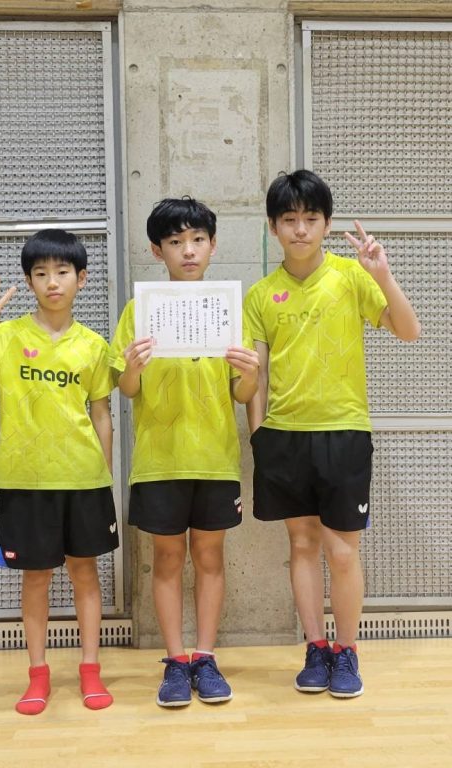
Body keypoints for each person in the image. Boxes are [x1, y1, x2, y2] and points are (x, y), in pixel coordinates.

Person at [244, 170, 421, 698]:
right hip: (284, 437)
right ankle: (315, 648)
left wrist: (383, 275)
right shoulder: (260, 295)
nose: (300, 229)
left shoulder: (350, 275)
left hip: (343, 433)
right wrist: (259, 435)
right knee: (301, 545)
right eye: (289, 220)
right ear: (273, 227)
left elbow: (409, 331)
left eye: (311, 219)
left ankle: (346, 652)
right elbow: (254, 377)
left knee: (342, 552)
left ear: (326, 224)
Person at [0, 229, 118, 715]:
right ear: (28, 282)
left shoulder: (94, 345)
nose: (52, 282)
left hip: (84, 480)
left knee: (85, 573)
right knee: (36, 577)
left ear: (82, 278)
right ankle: (38, 675)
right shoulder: (5, 336)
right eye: (41, 273)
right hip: (25, 479)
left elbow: (102, 414)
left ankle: (90, 670)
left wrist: (103, 478)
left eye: (62, 271)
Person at [109, 198, 259, 707]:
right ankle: (176, 661)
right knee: (168, 559)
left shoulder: (228, 309)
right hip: (159, 462)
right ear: (158, 251)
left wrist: (251, 373)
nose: (187, 250)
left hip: (215, 460)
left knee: (210, 557)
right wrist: (132, 366)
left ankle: (206, 656)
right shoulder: (140, 311)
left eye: (197, 240)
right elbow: (126, 388)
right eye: (175, 242)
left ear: (213, 245)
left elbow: (240, 393)